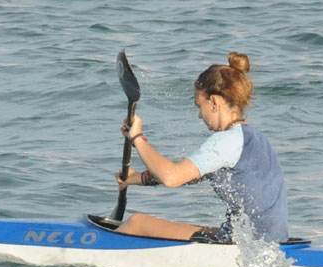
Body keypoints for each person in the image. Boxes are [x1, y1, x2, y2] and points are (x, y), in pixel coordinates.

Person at [114, 52, 288, 243]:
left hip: (249, 243)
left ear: (213, 102)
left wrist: (137, 137)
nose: (199, 115)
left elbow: (171, 177)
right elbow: (189, 175)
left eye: (199, 105)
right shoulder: (254, 139)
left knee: (137, 223)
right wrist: (138, 178)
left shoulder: (226, 141)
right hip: (269, 240)